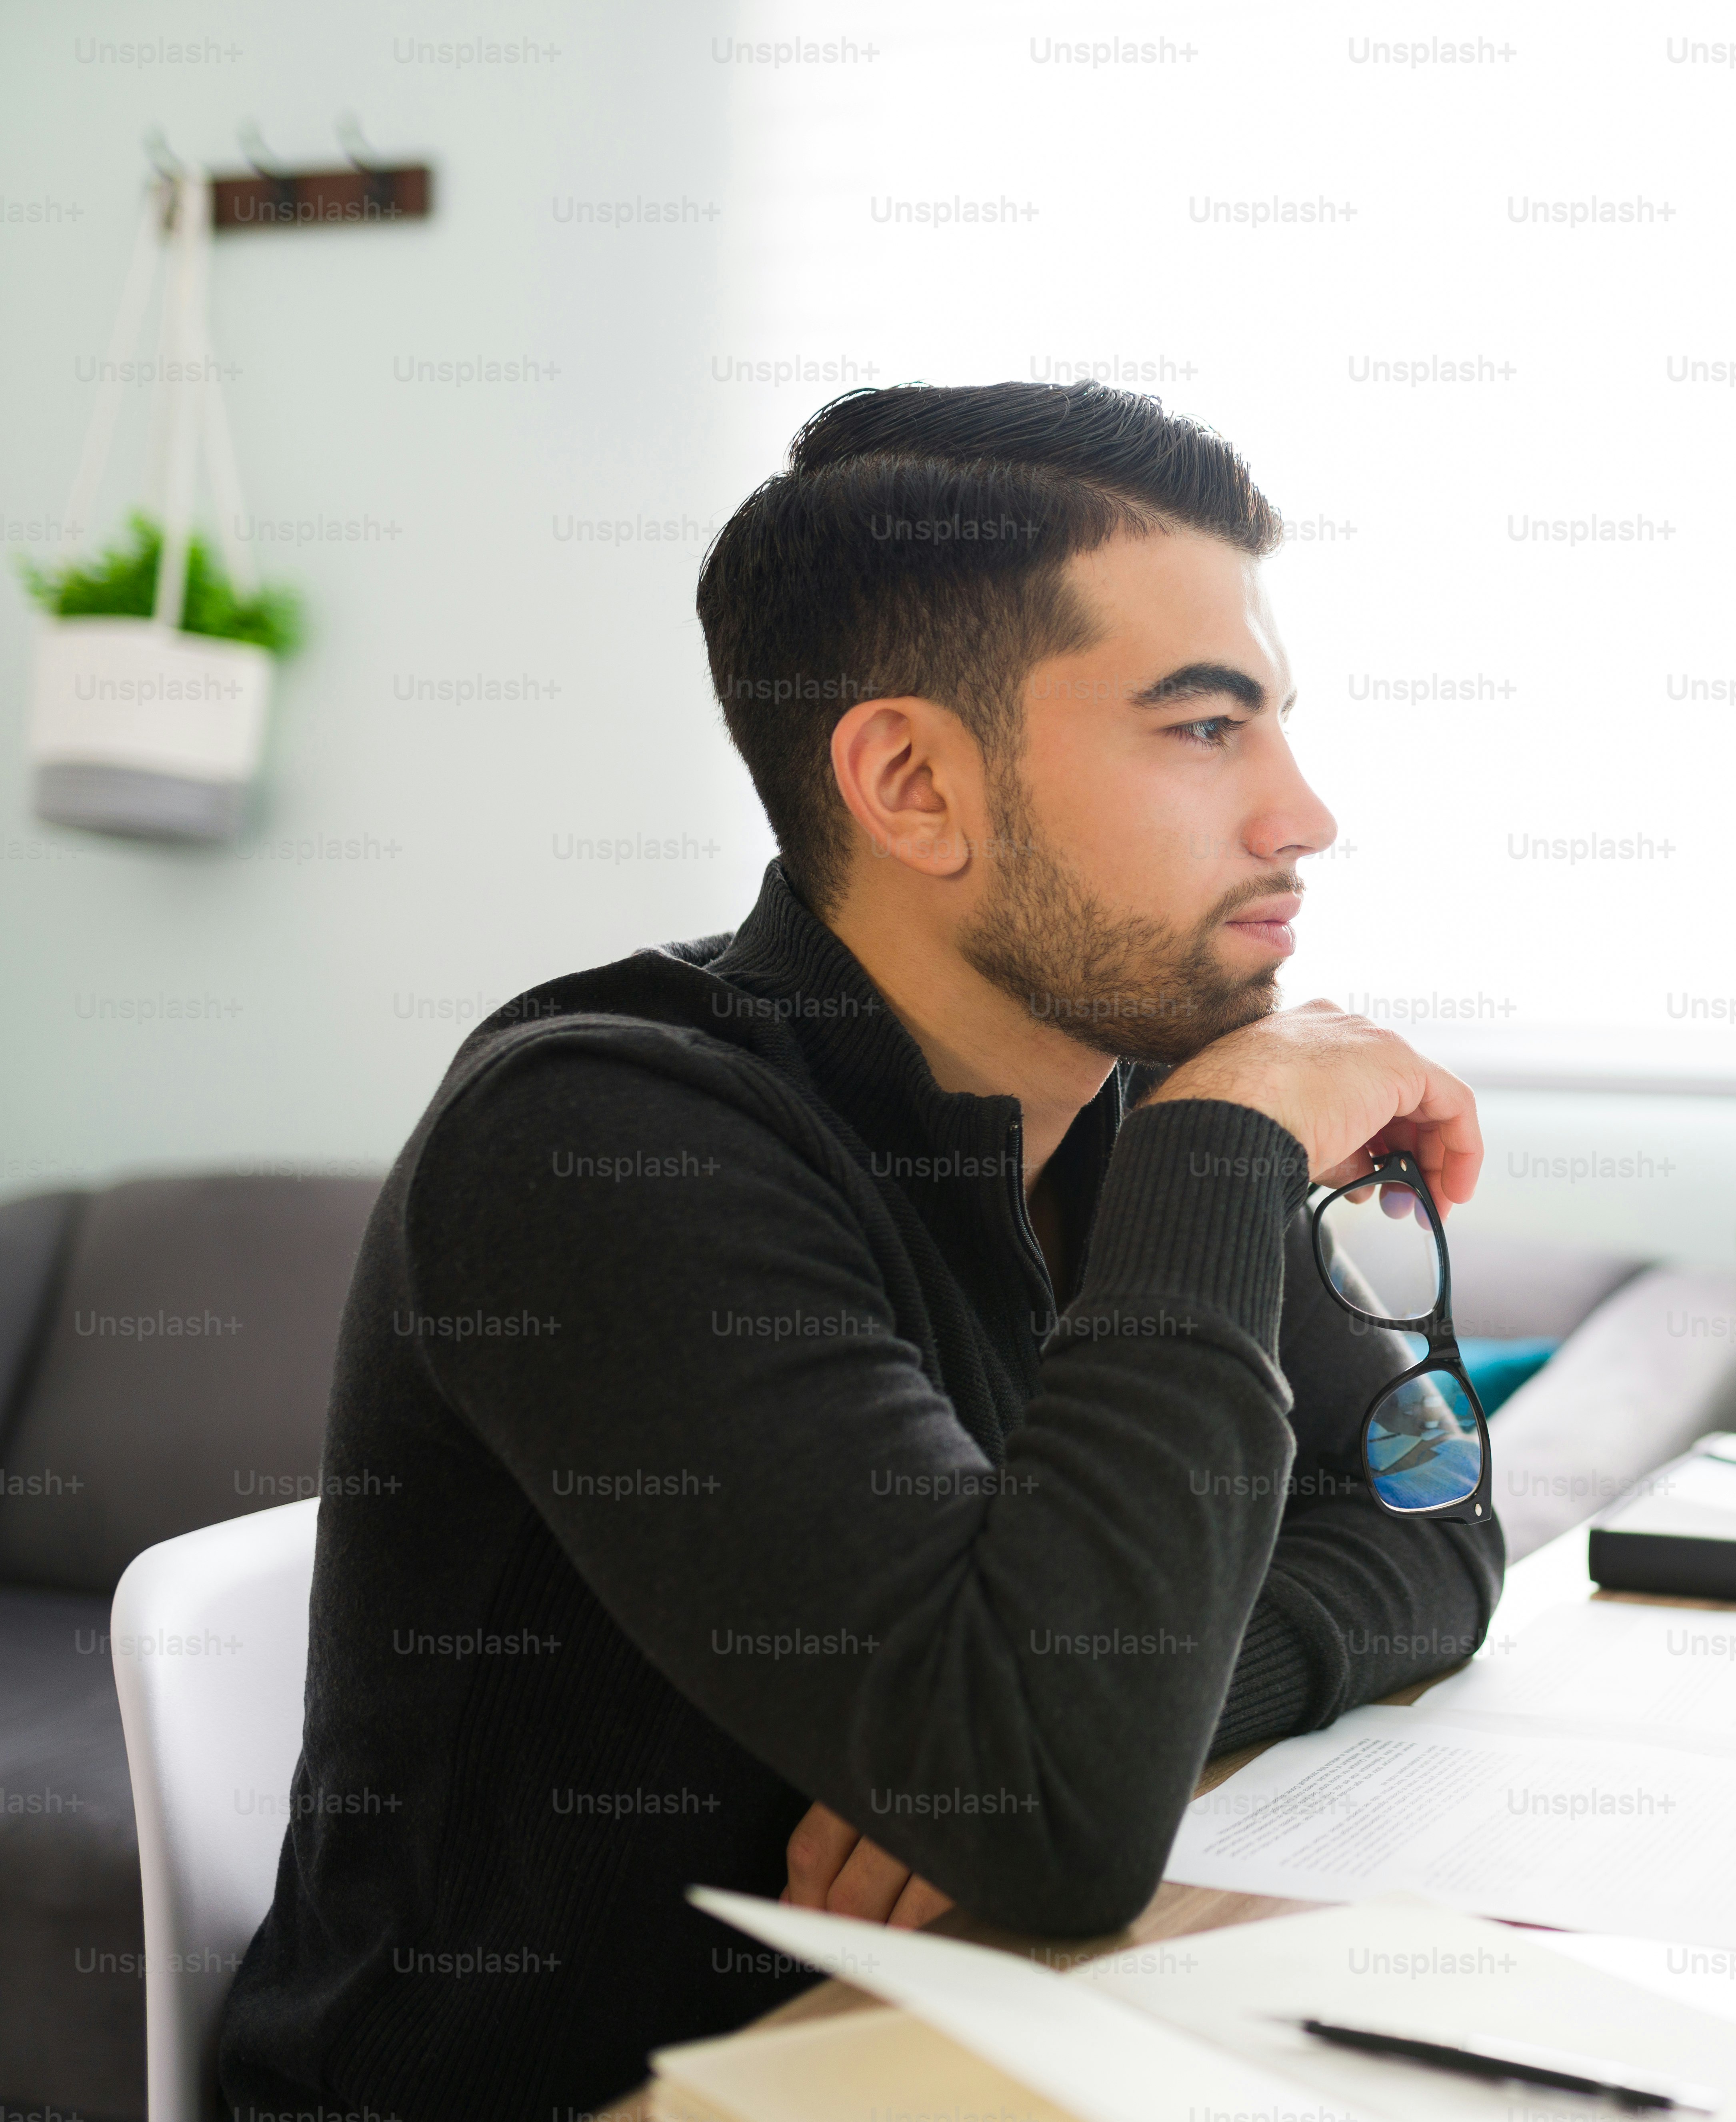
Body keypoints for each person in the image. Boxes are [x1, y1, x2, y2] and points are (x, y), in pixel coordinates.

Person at [216, 382, 1503, 2121]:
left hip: (957, 2048)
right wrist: (1231, 1139)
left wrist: (1153, 1702)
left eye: (1276, 723)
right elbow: (1051, 1818)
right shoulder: (604, 1138)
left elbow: (1430, 1537)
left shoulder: (1147, 1088)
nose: (1302, 815)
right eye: (1206, 731)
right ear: (911, 782)